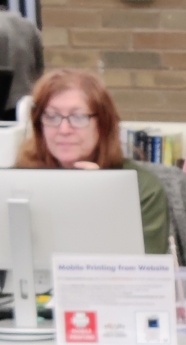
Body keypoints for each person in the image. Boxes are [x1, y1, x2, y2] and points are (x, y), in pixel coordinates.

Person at [17, 69, 168, 254]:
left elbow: (144, 267)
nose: (64, 129)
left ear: (102, 124)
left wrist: (101, 201)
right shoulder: (17, 183)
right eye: (52, 116)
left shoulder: (143, 189)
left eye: (78, 117)